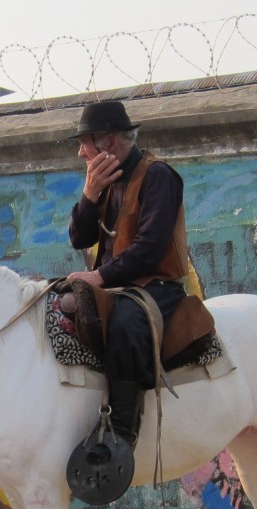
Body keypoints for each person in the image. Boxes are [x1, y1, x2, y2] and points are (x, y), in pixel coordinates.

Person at [67, 100, 191, 466]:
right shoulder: (105, 180)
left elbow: (150, 249)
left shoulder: (158, 176)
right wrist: (89, 196)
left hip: (155, 287)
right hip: (116, 285)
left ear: (107, 142)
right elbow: (78, 237)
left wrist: (98, 276)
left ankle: (120, 433)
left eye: (85, 143)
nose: (80, 152)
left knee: (123, 323)